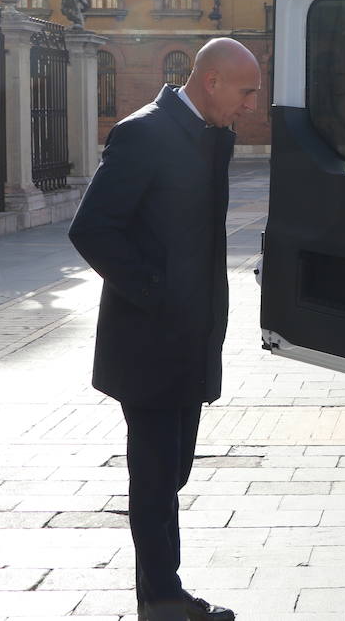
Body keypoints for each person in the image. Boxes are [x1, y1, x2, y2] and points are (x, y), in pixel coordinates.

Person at [69, 38, 260, 621]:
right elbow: (92, 228)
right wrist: (155, 292)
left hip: (192, 338)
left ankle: (158, 594)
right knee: (155, 475)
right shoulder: (144, 132)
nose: (251, 106)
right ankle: (163, 599)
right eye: (246, 92)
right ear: (212, 83)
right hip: (148, 342)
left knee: (172, 471)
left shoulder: (208, 136)